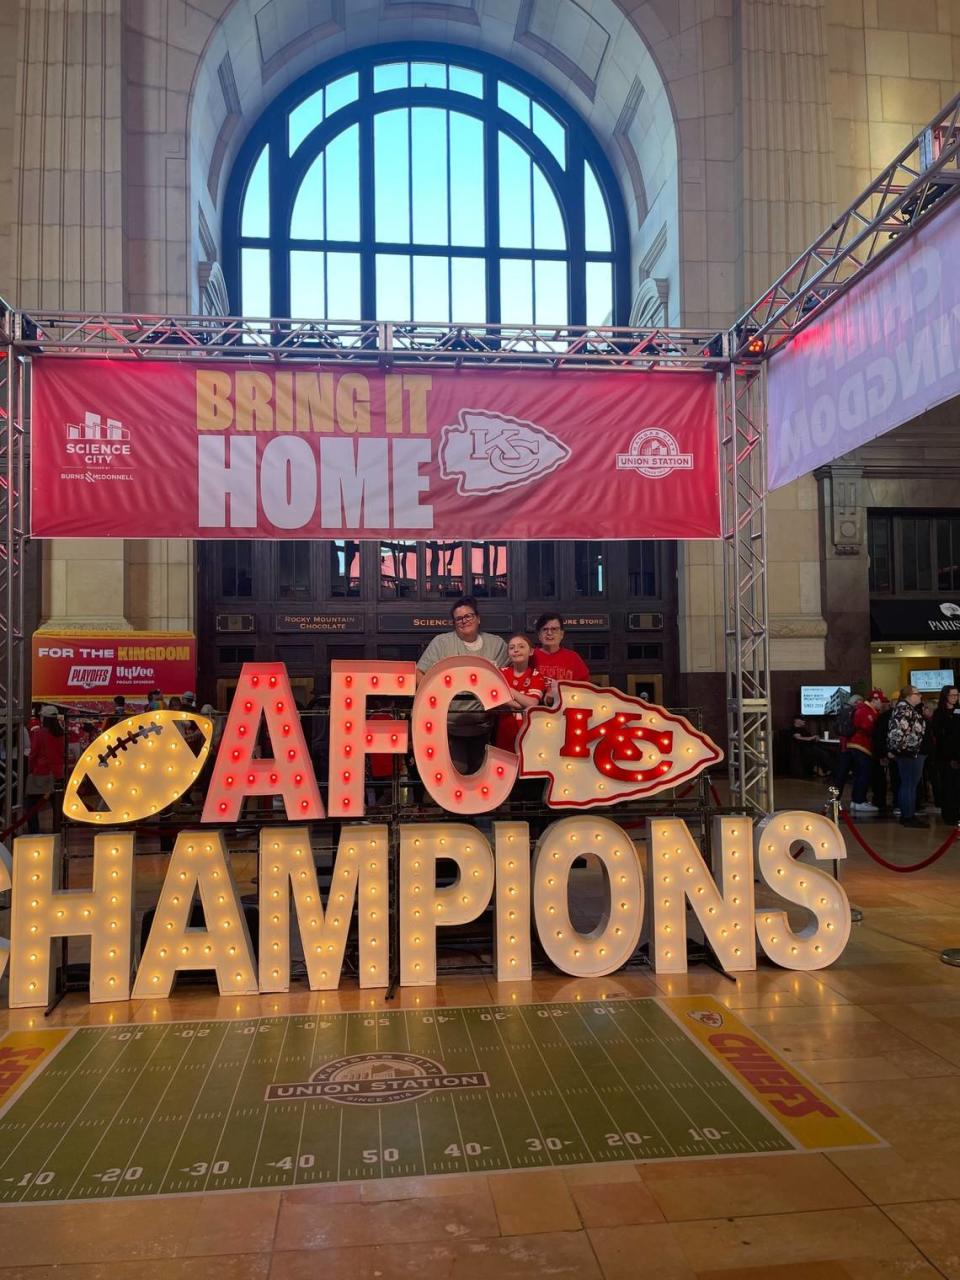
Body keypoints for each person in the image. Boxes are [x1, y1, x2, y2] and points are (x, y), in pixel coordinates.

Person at [416, 597, 507, 775]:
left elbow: (516, 668)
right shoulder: (441, 643)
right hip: (450, 727)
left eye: (468, 616)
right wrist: (435, 702)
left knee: (481, 775)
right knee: (457, 773)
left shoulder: (497, 644)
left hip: (485, 727)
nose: (464, 621)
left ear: (478, 618)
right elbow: (419, 673)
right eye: (459, 618)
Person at [495, 634, 547, 753]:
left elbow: (532, 703)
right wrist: (518, 704)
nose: (516, 650)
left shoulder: (536, 676)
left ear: (531, 652)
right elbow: (495, 698)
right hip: (504, 734)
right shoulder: (500, 673)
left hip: (528, 734)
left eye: (521, 646)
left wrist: (509, 690)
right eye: (512, 648)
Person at [887, 685, 927, 828]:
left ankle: (909, 814)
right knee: (908, 784)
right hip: (908, 753)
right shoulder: (904, 709)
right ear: (909, 696)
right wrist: (900, 750)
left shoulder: (908, 708)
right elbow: (898, 731)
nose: (920, 696)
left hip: (910, 752)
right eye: (918, 693)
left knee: (910, 785)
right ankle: (908, 816)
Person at [532, 613, 589, 706]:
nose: (549, 633)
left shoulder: (573, 657)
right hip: (535, 713)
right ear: (539, 635)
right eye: (545, 629)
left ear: (562, 634)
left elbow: (584, 690)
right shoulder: (529, 656)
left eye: (554, 629)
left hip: (565, 712)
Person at [25, 706, 65, 834]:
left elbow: (33, 754)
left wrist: (30, 770)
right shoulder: (62, 733)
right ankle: (57, 831)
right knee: (57, 807)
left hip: (41, 773)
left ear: (44, 718)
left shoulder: (39, 733)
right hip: (58, 773)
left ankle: (34, 831)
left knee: (31, 805)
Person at [847, 689, 884, 815]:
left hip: (858, 746)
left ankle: (856, 800)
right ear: (874, 700)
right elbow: (868, 728)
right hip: (861, 746)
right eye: (881, 701)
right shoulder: (865, 711)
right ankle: (859, 801)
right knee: (863, 774)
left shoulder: (863, 709)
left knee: (860, 774)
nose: (882, 704)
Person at [932, 685, 960, 825]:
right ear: (945, 696)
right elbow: (940, 735)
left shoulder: (959, 710)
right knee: (948, 786)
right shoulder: (939, 713)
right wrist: (951, 757)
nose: (955, 698)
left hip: (958, 754)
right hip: (945, 756)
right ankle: (949, 816)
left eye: (957, 695)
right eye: (952, 695)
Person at [830, 693, 863, 801]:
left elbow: (836, 728)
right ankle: (857, 800)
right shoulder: (853, 712)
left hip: (843, 746)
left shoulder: (842, 711)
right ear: (856, 702)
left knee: (840, 776)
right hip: (850, 746)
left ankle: (835, 799)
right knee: (857, 774)